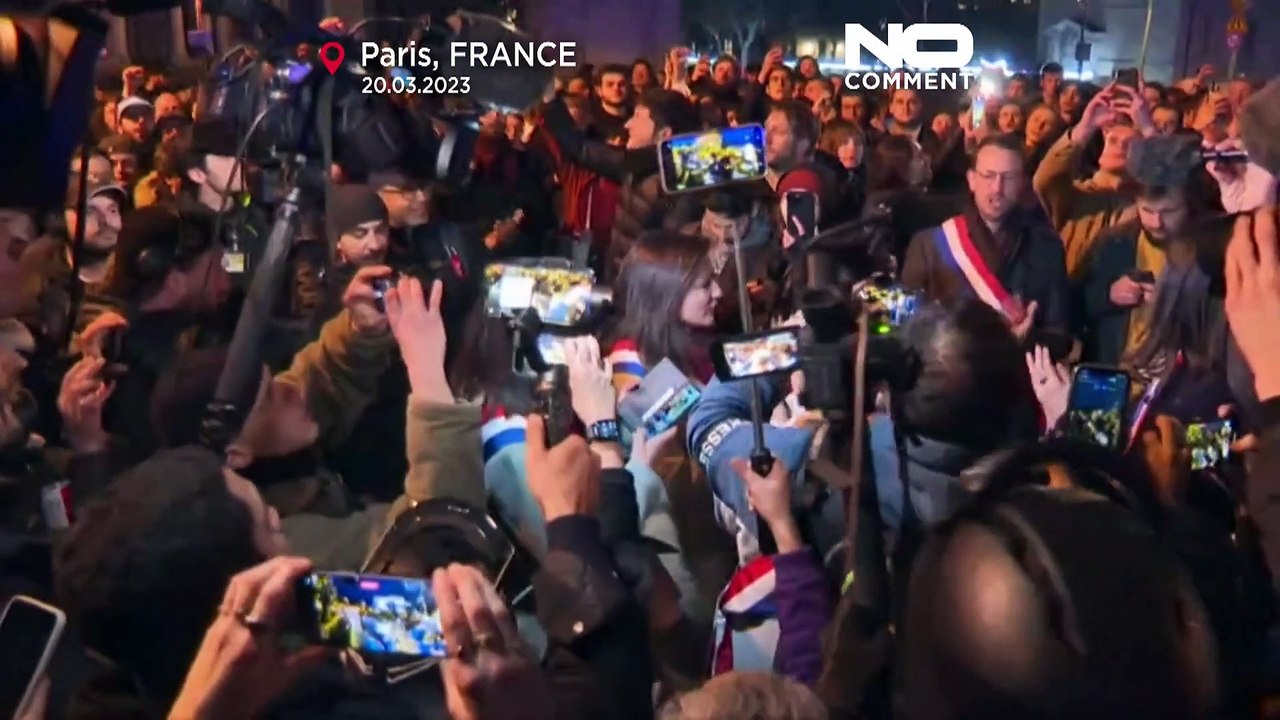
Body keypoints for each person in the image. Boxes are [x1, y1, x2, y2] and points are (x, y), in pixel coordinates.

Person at [902, 134, 1070, 339]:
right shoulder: (929, 245)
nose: (997, 188)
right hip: (947, 367)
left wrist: (1025, 339)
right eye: (989, 176)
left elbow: (1059, 334)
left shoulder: (1046, 248)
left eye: (1008, 178)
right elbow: (907, 327)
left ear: (1022, 183)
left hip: (1017, 368)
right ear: (972, 180)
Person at [1034, 82, 1154, 278]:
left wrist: (1148, 129)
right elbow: (1045, 178)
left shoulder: (1148, 205)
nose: (1120, 146)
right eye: (1113, 141)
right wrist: (1086, 126)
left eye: (1130, 144)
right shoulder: (1077, 195)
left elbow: (1178, 188)